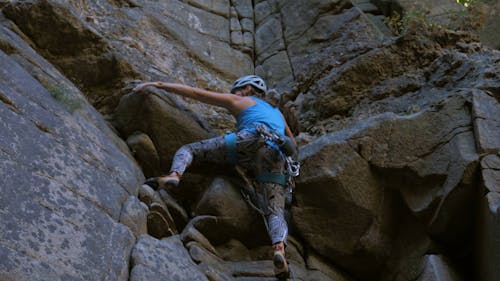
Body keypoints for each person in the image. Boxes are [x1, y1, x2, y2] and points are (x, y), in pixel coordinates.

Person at [133, 75, 297, 279]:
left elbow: (196, 93)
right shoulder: (278, 113)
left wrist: (156, 84)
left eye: (236, 89)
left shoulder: (239, 101)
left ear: (246, 88)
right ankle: (279, 249)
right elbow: (293, 143)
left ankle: (175, 175)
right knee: (274, 212)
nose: (233, 94)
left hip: (248, 140)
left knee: (190, 150)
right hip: (276, 155)